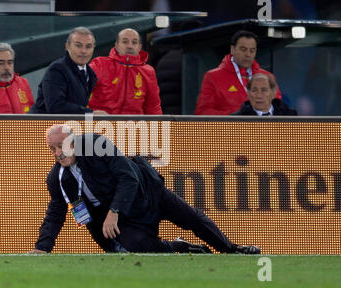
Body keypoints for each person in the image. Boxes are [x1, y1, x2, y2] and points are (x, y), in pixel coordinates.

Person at [29, 124, 260, 254]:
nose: (58, 153)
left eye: (61, 146)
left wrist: (114, 211)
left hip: (149, 192)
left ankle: (232, 250)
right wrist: (42, 248)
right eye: (53, 148)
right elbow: (57, 211)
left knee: (193, 218)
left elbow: (128, 178)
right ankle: (181, 246)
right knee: (138, 248)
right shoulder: (57, 178)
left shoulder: (96, 144)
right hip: (125, 218)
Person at [194, 30, 282, 115]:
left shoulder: (267, 76)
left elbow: (279, 109)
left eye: (252, 50)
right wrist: (238, 116)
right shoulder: (213, 77)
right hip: (231, 129)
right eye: (243, 49)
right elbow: (202, 113)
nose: (248, 54)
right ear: (232, 49)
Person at [29, 27, 106, 114]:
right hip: (42, 126)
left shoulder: (90, 74)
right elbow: (55, 106)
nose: (84, 51)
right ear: (67, 46)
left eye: (88, 46)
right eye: (78, 45)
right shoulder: (56, 70)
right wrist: (90, 113)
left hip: (67, 125)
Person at [88, 28, 162, 115]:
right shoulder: (99, 64)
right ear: (116, 45)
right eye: (125, 41)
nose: (130, 46)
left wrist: (158, 127)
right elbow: (77, 95)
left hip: (134, 127)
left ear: (140, 47)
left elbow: (153, 108)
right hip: (100, 126)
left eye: (134, 42)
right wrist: (90, 114)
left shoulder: (148, 71)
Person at [232, 73, 297, 116]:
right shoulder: (234, 120)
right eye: (254, 90)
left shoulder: (290, 116)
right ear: (248, 94)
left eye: (264, 90)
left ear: (273, 93)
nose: (259, 95)